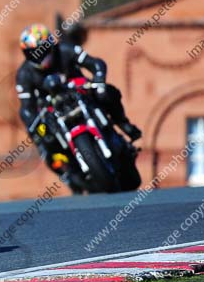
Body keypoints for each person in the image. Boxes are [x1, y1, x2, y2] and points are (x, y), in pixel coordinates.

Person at [15, 23, 141, 187]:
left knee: (106, 93)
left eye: (42, 49)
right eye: (32, 53)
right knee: (41, 135)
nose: (39, 56)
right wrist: (36, 125)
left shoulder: (66, 50)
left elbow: (96, 63)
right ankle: (68, 171)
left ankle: (123, 123)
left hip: (80, 91)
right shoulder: (24, 74)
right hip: (51, 110)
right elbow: (26, 108)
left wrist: (99, 81)